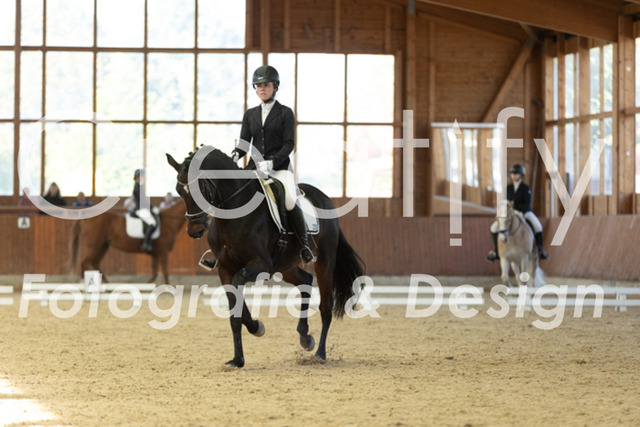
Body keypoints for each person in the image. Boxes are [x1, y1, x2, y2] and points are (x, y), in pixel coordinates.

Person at [199, 65, 316, 271]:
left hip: (279, 168)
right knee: (232, 197)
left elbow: (289, 144)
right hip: (253, 168)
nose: (262, 89)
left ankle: (304, 245)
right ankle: (219, 250)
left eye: (266, 85)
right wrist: (236, 154)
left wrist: (272, 162)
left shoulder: (285, 113)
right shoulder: (250, 114)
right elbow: (244, 142)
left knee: (289, 199)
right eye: (258, 86)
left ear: (275, 87)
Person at [486, 164, 549, 262]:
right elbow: (505, 202)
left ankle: (540, 250)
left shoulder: (525, 188)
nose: (514, 175)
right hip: (510, 214)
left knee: (538, 226)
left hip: (524, 212)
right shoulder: (508, 188)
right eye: (512, 173)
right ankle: (496, 251)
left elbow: (527, 203)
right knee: (493, 227)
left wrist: (520, 211)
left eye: (516, 174)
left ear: (521, 175)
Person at [130, 169, 157, 253]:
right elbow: (143, 200)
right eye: (142, 176)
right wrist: (152, 208)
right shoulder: (139, 186)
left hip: (141, 208)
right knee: (152, 223)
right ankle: (145, 243)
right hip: (140, 209)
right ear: (138, 176)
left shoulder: (137, 185)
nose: (143, 178)